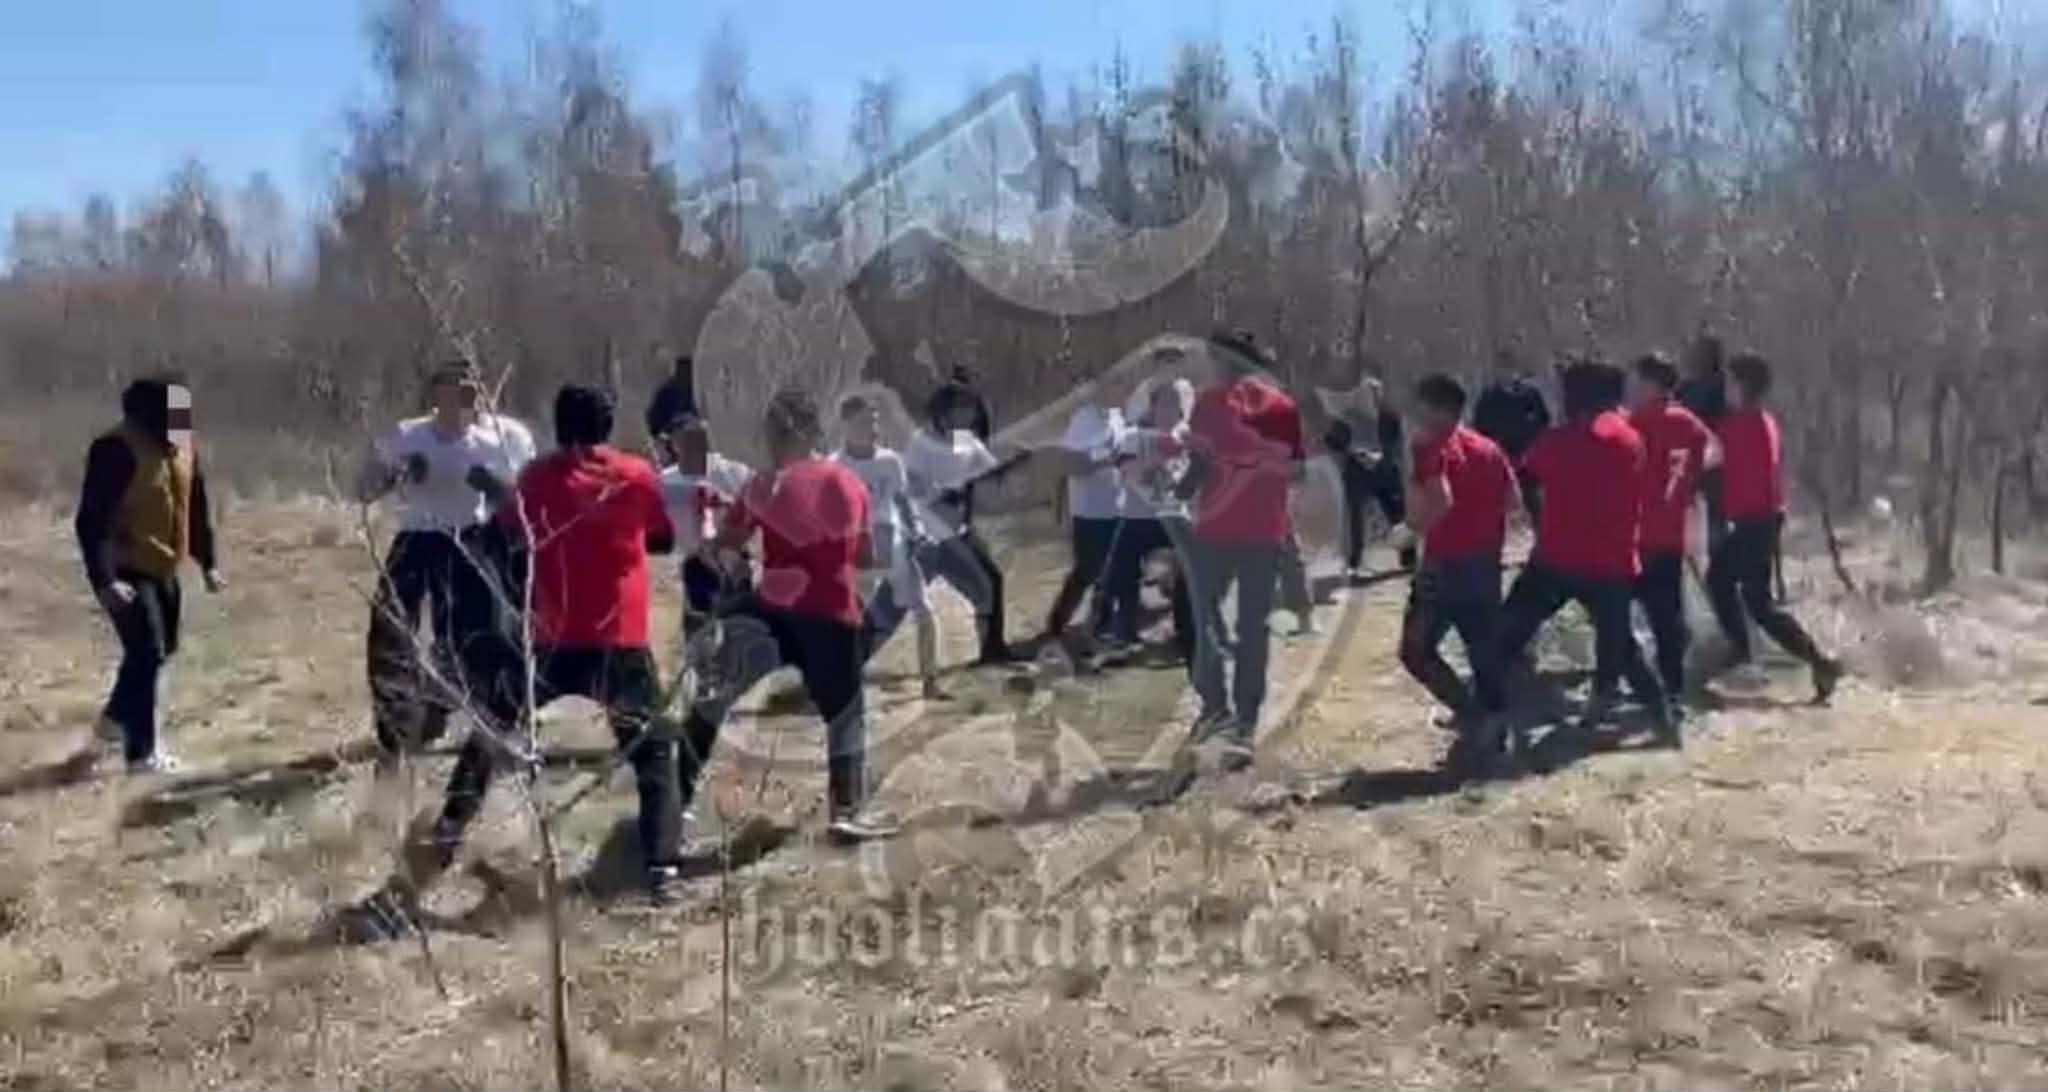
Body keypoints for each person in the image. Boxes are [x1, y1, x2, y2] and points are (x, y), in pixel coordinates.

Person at [421, 385, 688, 902]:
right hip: (617, 640)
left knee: (493, 729)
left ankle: (448, 831)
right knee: (654, 750)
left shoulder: (536, 479)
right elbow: (663, 537)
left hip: (550, 638)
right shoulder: (635, 474)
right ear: (607, 425)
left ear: (559, 424)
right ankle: (663, 868)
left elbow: (508, 533)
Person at [678, 386, 898, 845]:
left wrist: (721, 546)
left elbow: (726, 545)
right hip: (831, 609)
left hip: (772, 609)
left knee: (712, 704)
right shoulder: (848, 484)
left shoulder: (764, 484)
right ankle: (846, 809)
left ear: (779, 435)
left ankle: (672, 803)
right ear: (815, 432)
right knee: (846, 714)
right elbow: (864, 557)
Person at [1486, 360, 1677, 768]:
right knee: (1623, 648)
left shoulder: (1558, 441)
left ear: (1577, 397)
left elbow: (1524, 481)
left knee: (1502, 639)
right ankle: (1664, 723)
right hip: (1612, 561)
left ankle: (1491, 720)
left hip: (1557, 559)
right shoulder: (1630, 437)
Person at [356, 361, 537, 763]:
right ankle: (396, 730)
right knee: (391, 630)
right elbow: (364, 490)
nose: (470, 395)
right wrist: (397, 474)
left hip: (474, 539)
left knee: (486, 635)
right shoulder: (407, 435)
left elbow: (527, 500)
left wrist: (493, 486)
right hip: (418, 538)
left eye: (475, 386)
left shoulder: (504, 437)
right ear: (437, 393)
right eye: (459, 387)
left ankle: (494, 723)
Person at [74, 374, 226, 773]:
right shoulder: (116, 450)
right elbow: (92, 520)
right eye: (173, 414)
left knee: (161, 650)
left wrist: (208, 562)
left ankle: (112, 723)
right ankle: (141, 755)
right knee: (147, 652)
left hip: (164, 565)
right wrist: (106, 579)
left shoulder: (184, 448)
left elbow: (194, 507)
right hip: (125, 567)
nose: (181, 423)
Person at [1182, 329, 1307, 768]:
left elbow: (1198, 467)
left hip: (1216, 528)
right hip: (1263, 529)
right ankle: (1245, 724)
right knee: (1253, 626)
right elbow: (1298, 472)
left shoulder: (1208, 404)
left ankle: (1216, 705)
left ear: (1223, 360)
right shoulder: (1283, 406)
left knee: (1201, 618)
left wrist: (1174, 493)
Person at [1705, 353, 1846, 704]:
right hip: (1762, 519)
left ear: (1743, 385)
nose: (1726, 389)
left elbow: (1710, 460)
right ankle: (1817, 662)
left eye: (1730, 382)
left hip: (1755, 520)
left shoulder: (1741, 424)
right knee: (1754, 600)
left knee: (1733, 588)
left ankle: (1745, 649)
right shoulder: (1761, 420)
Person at [875, 372, 1024, 667]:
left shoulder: (965, 441)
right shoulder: (922, 443)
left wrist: (1014, 462)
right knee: (891, 606)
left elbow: (986, 470)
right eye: (961, 409)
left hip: (956, 535)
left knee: (989, 583)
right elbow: (909, 489)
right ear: (943, 413)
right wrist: (944, 494)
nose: (968, 415)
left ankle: (993, 651)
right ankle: (845, 662)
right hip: (926, 540)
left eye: (969, 409)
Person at [1397, 374, 1517, 741]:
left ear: (1434, 408)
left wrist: (1411, 529)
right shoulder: (1488, 448)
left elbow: (1440, 498)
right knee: (1482, 647)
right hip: (1485, 562)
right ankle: (1495, 721)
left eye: (1419, 405)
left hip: (1444, 564)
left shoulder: (1427, 446)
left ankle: (1469, 713)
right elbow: (1513, 502)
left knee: (1415, 650)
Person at [833, 393, 943, 699]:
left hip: (892, 543)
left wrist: (917, 530)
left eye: (874, 421)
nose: (872, 428)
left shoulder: (890, 461)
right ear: (846, 426)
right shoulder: (836, 466)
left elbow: (903, 502)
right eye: (864, 422)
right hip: (857, 550)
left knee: (924, 612)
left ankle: (930, 681)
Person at [1623, 353, 1718, 702]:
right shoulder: (1689, 422)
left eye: (1636, 381)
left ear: (1651, 384)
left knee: (1616, 612)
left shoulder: (1636, 422)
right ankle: (1673, 689)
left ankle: (1637, 684)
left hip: (1637, 532)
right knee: (1666, 615)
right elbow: (1715, 453)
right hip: (1672, 532)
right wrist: (1687, 482)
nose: (1631, 387)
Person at [654, 408, 754, 693]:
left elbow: (756, 507)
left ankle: (736, 683)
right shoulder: (664, 482)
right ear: (674, 444)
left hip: (731, 563)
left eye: (700, 437)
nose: (694, 445)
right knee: (697, 632)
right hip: (690, 566)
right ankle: (700, 686)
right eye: (685, 439)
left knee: (736, 630)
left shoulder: (732, 473)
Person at [1105, 368, 1197, 659]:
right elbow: (1129, 472)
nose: (1169, 412)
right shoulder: (1134, 437)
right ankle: (1121, 629)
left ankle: (1188, 630)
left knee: (1192, 569)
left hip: (1174, 517)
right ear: (1152, 407)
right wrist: (1160, 455)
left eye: (1175, 405)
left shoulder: (1188, 437)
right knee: (1120, 569)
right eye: (1164, 404)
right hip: (1138, 518)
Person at [1043, 390, 1128, 645]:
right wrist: (1107, 458)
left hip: (1117, 507)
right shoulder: (1085, 418)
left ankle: (1101, 627)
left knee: (1113, 571)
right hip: (1089, 512)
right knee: (1087, 571)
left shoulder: (1118, 416)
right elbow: (1069, 464)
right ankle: (1056, 625)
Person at [1471, 355, 1554, 523]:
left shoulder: (1529, 394)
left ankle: (1543, 534)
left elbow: (1543, 421)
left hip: (1527, 457)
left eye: (1509, 368)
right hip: (1500, 458)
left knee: (1536, 503)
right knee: (1496, 504)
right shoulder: (1489, 397)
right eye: (1502, 368)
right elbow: (1480, 428)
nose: (1507, 373)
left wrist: (1535, 443)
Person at [646, 355, 699, 458]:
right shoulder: (666, 393)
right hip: (670, 439)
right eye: (682, 371)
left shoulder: (695, 391)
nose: (684, 375)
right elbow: (654, 421)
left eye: (687, 371)